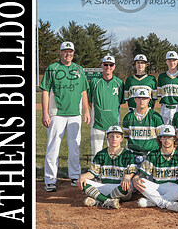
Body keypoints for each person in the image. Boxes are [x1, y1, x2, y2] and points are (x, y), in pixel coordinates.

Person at [40, 41, 90, 192]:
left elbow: (83, 91)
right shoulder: (52, 68)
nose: (68, 54)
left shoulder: (79, 69)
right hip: (57, 113)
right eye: (65, 51)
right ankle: (50, 179)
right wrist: (45, 113)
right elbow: (45, 91)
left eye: (70, 52)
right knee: (53, 147)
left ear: (73, 53)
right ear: (60, 53)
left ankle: (74, 176)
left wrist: (86, 110)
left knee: (74, 146)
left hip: (75, 114)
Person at [132, 125, 178, 212]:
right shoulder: (153, 154)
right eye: (164, 137)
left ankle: (153, 202)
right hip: (158, 188)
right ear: (160, 139)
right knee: (141, 182)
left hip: (175, 187)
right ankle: (167, 204)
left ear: (174, 139)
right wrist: (136, 179)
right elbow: (142, 173)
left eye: (169, 137)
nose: (167, 140)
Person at [78, 125, 137, 209]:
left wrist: (128, 176)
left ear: (121, 139)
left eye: (117, 137)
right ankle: (108, 201)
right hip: (104, 186)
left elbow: (132, 172)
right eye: (111, 136)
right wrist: (83, 176)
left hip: (120, 187)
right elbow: (93, 173)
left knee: (129, 185)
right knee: (82, 181)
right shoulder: (101, 154)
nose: (114, 139)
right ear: (107, 138)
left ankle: (99, 199)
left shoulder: (128, 154)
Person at [88, 54, 124, 161]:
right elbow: (90, 101)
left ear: (114, 66)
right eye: (106, 64)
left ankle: (113, 168)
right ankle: (95, 169)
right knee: (96, 150)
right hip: (97, 121)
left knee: (114, 149)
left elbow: (120, 102)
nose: (108, 67)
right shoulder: (94, 81)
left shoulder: (119, 83)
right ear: (102, 66)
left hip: (113, 121)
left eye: (111, 65)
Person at [121, 88, 164, 167]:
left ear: (148, 100)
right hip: (133, 156)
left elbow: (160, 138)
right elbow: (127, 137)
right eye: (139, 98)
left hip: (151, 156)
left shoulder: (156, 117)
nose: (141, 101)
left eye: (144, 98)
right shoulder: (128, 117)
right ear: (135, 99)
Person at [157, 51, 178, 125]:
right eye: (169, 60)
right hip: (165, 108)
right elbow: (159, 95)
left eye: (174, 60)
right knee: (164, 130)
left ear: (177, 61)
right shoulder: (161, 77)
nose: (172, 63)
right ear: (166, 62)